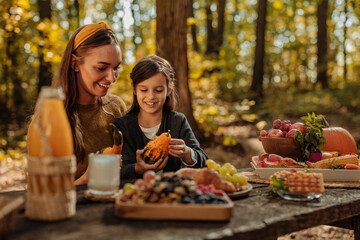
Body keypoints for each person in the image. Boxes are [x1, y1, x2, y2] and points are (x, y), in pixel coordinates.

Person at [54, 22, 127, 184]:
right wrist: (86, 179)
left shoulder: (117, 107)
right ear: (75, 64)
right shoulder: (49, 120)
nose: (112, 78)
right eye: (102, 68)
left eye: (116, 68)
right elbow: (41, 194)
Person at [114, 55, 207, 180]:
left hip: (172, 192)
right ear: (134, 88)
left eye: (158, 90)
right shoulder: (123, 126)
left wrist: (187, 153)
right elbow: (117, 170)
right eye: (144, 90)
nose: (151, 96)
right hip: (136, 194)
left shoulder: (177, 122)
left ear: (169, 89)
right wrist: (137, 169)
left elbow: (204, 161)